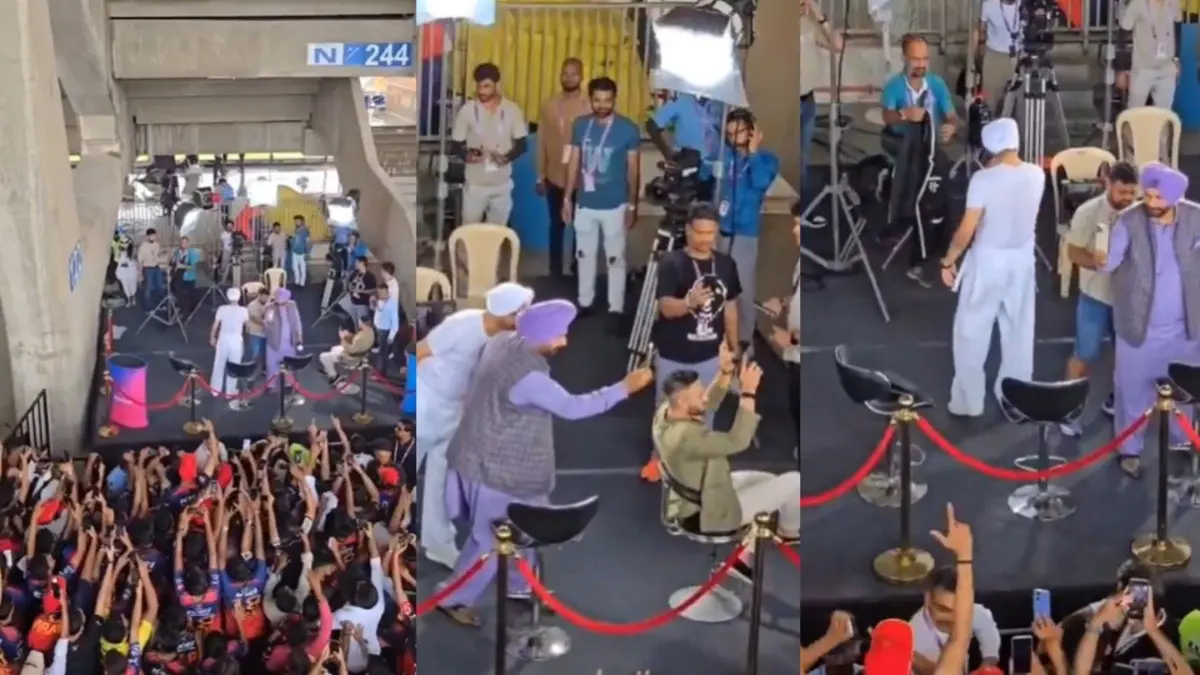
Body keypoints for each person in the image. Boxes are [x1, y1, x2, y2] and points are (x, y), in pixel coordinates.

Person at [436, 300, 654, 626]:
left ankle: (521, 586)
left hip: (498, 462)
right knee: (492, 538)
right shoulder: (529, 378)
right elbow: (574, 407)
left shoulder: (503, 341)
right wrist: (624, 388)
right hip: (498, 472)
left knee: (527, 524)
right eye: (559, 335)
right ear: (540, 334)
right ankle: (454, 598)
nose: (564, 342)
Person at [654, 344, 800, 584]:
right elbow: (738, 440)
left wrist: (724, 373)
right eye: (698, 394)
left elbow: (706, 405)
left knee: (770, 482)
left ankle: (743, 559)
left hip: (697, 491)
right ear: (681, 402)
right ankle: (789, 530)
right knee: (795, 481)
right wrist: (749, 393)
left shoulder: (665, 414)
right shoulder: (686, 438)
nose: (704, 396)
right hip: (710, 510)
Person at [414, 282, 533, 568]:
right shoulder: (461, 325)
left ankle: (437, 542)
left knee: (441, 476)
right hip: (428, 402)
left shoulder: (506, 339)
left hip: (456, 410)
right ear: (504, 313)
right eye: (520, 313)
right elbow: (420, 350)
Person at [1100, 162, 1200, 477]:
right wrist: (1102, 253)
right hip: (1138, 328)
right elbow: (1107, 264)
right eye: (1148, 196)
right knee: (1132, 392)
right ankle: (1129, 451)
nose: (1151, 204)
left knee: (1185, 393)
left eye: (1159, 199)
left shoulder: (1196, 218)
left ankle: (1183, 441)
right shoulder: (1127, 222)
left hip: (1186, 330)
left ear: (1174, 198)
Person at [941, 118, 1043, 417]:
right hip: (1022, 262)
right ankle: (1014, 397)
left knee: (971, 331)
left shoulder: (983, 180)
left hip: (988, 261)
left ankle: (968, 401)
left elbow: (966, 230)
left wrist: (949, 260)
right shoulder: (1036, 174)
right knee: (1019, 333)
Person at [643, 202, 742, 481]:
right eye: (699, 232)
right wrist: (690, 302)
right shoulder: (672, 263)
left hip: (710, 354)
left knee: (706, 411)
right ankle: (659, 458)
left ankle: (699, 460)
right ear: (687, 230)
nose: (705, 239)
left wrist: (735, 348)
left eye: (710, 233)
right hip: (674, 353)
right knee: (666, 410)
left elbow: (731, 307)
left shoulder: (726, 264)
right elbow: (665, 307)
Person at [1059, 161, 1139, 436]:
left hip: (1128, 300)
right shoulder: (1087, 212)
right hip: (1096, 297)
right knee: (1084, 354)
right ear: (1108, 184)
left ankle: (1116, 402)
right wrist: (1099, 263)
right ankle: (1068, 411)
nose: (1127, 199)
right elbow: (1073, 253)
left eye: (1131, 193)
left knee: (1128, 357)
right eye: (1122, 193)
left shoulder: (1140, 212)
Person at [881, 34, 959, 286]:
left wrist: (950, 127)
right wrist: (905, 114)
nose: (921, 63)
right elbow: (887, 117)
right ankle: (918, 254)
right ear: (904, 58)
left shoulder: (936, 84)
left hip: (932, 148)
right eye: (915, 58)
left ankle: (940, 245)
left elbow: (951, 116)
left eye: (925, 58)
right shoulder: (894, 86)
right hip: (905, 148)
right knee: (920, 187)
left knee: (939, 184)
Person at [562, 76, 641, 322]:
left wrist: (632, 204)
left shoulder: (628, 128)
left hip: (615, 204)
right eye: (597, 100)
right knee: (584, 254)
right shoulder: (580, 125)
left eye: (607, 100)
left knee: (615, 257)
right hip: (585, 203)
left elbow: (633, 169)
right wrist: (567, 197)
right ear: (591, 100)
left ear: (614, 99)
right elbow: (574, 161)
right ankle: (585, 301)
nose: (602, 105)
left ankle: (615, 307)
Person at [715, 108, 781, 347]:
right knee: (720, 288)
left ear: (752, 132)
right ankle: (723, 338)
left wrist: (752, 153)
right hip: (722, 230)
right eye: (730, 134)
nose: (734, 138)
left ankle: (744, 342)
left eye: (740, 132)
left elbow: (762, 182)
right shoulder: (726, 158)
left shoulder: (767, 159)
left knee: (742, 290)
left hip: (745, 233)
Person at [451, 62, 529, 225]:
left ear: (497, 85)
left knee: (497, 234)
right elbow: (455, 145)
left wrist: (507, 157)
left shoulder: (512, 110)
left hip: (502, 186)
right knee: (470, 232)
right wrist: (466, 155)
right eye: (479, 86)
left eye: (487, 86)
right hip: (475, 185)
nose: (482, 91)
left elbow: (522, 144)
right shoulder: (468, 110)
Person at [536, 57, 591, 278]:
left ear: (582, 76)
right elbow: (541, 141)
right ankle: (555, 273)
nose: (569, 78)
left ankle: (579, 271)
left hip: (582, 178)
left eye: (574, 74)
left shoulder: (590, 106)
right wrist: (540, 176)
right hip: (554, 177)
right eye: (565, 73)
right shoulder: (549, 105)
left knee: (581, 228)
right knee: (556, 225)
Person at [763, 211, 804, 462]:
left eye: (800, 225)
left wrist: (792, 340)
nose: (794, 231)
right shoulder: (800, 262)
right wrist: (784, 302)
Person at [908, 566, 1002, 675]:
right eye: (943, 609)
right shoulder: (913, 636)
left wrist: (987, 666)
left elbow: (989, 635)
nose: (952, 618)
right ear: (928, 599)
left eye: (959, 611)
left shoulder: (972, 611)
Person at [798, 0, 843, 203]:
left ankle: (802, 210)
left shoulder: (809, 25)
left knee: (803, 159)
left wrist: (820, 17)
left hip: (807, 101)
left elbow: (837, 45)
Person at [647, 92, 725, 202]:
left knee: (708, 209)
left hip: (712, 167)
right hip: (686, 165)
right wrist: (667, 154)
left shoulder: (720, 103)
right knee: (683, 210)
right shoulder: (682, 100)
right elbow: (652, 125)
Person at [1122, 0, 1181, 109]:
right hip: (1142, 68)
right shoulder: (1137, 4)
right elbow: (1122, 35)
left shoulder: (1174, 3)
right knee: (1134, 113)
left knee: (1164, 115)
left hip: (1166, 68)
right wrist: (1122, 70)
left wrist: (1176, 60)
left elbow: (1177, 29)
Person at [974, 0, 1020, 113]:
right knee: (989, 104)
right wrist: (977, 59)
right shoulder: (989, 5)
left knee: (1016, 105)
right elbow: (981, 32)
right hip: (994, 57)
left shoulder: (1025, 5)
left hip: (1017, 58)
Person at [210, 288, 249, 398]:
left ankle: (215, 390)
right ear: (239, 297)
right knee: (234, 365)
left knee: (219, 364)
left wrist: (212, 337)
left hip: (223, 338)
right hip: (236, 339)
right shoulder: (243, 311)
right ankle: (230, 392)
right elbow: (248, 326)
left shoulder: (221, 309)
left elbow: (215, 325)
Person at [319, 314, 376, 386]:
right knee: (334, 349)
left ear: (362, 323)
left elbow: (351, 350)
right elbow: (356, 341)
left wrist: (343, 338)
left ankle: (334, 377)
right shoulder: (369, 332)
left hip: (352, 358)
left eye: (359, 321)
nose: (358, 322)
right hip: (359, 354)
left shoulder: (362, 337)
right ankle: (330, 369)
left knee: (323, 356)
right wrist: (348, 335)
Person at [263, 287, 302, 391]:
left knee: (289, 363)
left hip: (289, 340)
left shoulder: (292, 305)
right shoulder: (270, 307)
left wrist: (299, 336)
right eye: (279, 302)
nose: (281, 305)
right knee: (272, 364)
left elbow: (297, 322)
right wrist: (270, 324)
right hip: (274, 341)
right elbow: (267, 323)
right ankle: (271, 385)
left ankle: (289, 384)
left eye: (283, 302)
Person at [341, 256, 377, 324]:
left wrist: (361, 291)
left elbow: (373, 290)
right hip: (352, 301)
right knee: (355, 321)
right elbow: (349, 283)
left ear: (362, 263)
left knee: (362, 323)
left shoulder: (370, 276)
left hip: (362, 304)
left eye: (357, 262)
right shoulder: (355, 273)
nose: (355, 264)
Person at [171, 236, 202, 316]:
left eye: (185, 243)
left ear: (188, 243)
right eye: (182, 243)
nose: (183, 245)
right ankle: (182, 309)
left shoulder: (194, 253)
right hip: (179, 277)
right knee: (180, 293)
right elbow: (173, 262)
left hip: (190, 277)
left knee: (190, 293)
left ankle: (193, 309)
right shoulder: (177, 252)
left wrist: (182, 266)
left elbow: (194, 267)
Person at [136, 228, 164, 310]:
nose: (153, 237)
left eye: (155, 235)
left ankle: (161, 305)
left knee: (160, 286)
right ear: (147, 236)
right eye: (151, 236)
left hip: (157, 268)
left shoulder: (157, 244)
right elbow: (140, 261)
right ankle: (148, 307)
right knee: (148, 288)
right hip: (148, 269)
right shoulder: (143, 247)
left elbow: (157, 256)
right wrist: (140, 273)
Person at [290, 215, 312, 287]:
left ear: (302, 221)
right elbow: (294, 239)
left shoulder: (304, 229)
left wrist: (307, 252)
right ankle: (297, 281)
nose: (296, 222)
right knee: (295, 267)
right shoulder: (296, 229)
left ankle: (302, 283)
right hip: (295, 252)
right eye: (295, 221)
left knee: (302, 268)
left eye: (298, 221)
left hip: (302, 252)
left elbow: (308, 241)